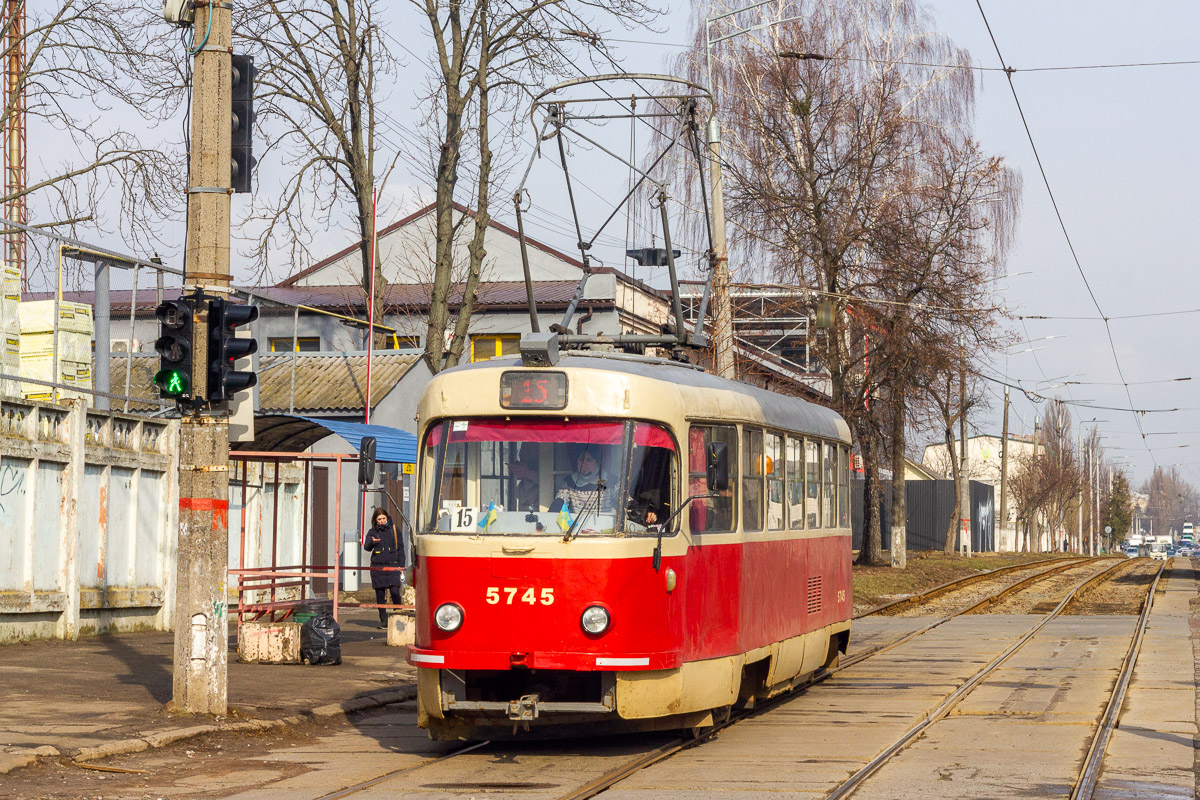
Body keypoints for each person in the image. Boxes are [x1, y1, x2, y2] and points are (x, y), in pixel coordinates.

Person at [363, 508, 405, 629]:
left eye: (383, 519)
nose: (382, 521)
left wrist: (401, 566)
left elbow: (401, 549)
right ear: (375, 520)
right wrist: (372, 542)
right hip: (378, 567)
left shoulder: (395, 530)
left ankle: (398, 616)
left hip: (393, 565)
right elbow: (366, 547)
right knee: (380, 595)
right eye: (379, 519)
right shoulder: (372, 532)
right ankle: (384, 621)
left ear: (387, 518)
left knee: (395, 592)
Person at [551, 444, 616, 515]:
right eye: (581, 459)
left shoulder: (611, 480)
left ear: (597, 462)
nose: (583, 464)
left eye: (589, 460)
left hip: (606, 525)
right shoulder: (570, 481)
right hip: (578, 525)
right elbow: (561, 499)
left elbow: (624, 501)